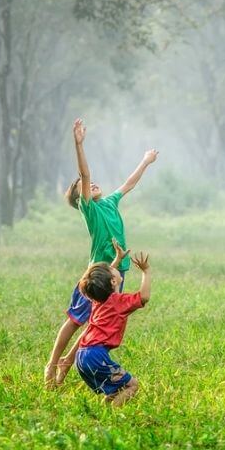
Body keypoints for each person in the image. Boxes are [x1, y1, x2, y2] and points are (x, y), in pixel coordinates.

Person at [45, 118, 157, 387]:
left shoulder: (109, 202)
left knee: (98, 321)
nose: (91, 183)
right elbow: (84, 174)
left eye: (92, 183)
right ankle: (52, 365)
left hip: (118, 271)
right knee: (75, 320)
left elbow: (129, 183)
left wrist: (145, 161)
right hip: (97, 274)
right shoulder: (90, 209)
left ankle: (68, 364)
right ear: (79, 197)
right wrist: (79, 144)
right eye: (83, 186)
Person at [74, 243, 151, 406]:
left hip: (81, 355)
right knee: (132, 385)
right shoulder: (119, 302)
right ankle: (112, 417)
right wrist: (146, 271)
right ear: (114, 281)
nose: (112, 267)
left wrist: (117, 259)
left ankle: (104, 411)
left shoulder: (97, 299)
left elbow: (102, 280)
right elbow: (144, 297)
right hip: (95, 356)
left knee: (116, 388)